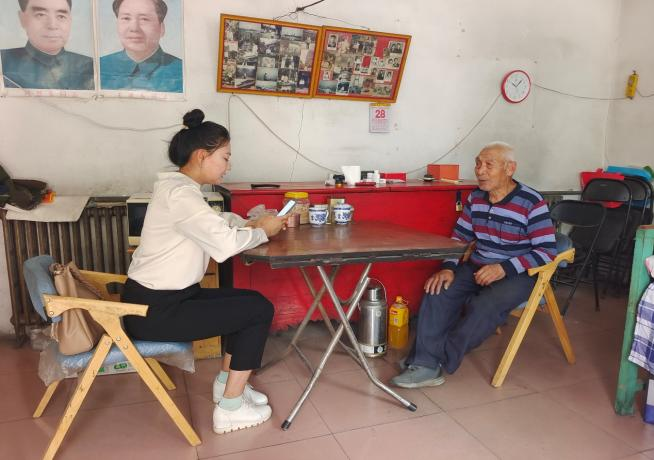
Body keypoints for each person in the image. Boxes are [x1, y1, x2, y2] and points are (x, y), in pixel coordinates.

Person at [121, 109, 287, 433]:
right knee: (257, 311)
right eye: (225, 157)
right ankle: (230, 408)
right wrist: (263, 231)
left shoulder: (181, 190)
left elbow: (214, 223)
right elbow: (224, 245)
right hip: (155, 311)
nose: (228, 166)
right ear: (201, 155)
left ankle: (227, 385)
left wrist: (249, 223)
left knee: (249, 301)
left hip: (167, 299)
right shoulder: (180, 194)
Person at [391, 142, 557, 388]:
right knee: (437, 288)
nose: (480, 170)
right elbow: (460, 237)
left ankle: (435, 360)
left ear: (510, 168)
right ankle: (425, 362)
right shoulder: (476, 197)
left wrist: (503, 268)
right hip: (478, 265)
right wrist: (448, 267)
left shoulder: (532, 202)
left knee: (484, 306)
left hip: (518, 273)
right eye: (478, 163)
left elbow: (547, 251)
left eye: (489, 165)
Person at [1, 0, 93, 90]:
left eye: (61, 16)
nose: (52, 26)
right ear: (22, 19)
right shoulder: (2, 61)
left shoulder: (89, 66)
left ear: (70, 20)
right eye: (41, 15)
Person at [100, 0, 182, 92]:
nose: (134, 28)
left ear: (161, 28)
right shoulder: (98, 67)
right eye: (126, 18)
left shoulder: (182, 71)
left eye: (144, 19)